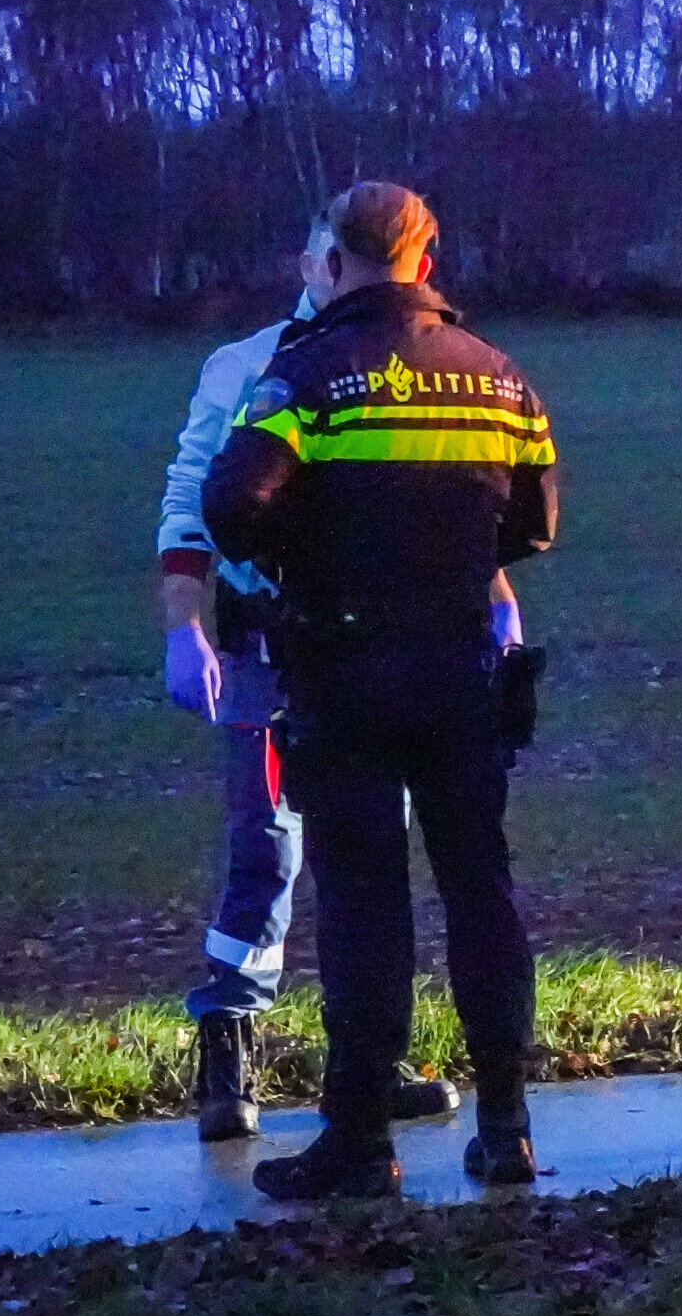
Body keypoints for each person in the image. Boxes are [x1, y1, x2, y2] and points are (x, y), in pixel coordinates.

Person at [202, 181, 558, 1199]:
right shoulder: (497, 378)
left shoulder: (305, 376)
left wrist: (312, 559)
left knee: (363, 903)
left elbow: (233, 504)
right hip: (461, 672)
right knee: (481, 893)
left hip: (343, 668)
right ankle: (506, 1128)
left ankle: (360, 1142)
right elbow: (533, 527)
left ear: (335, 260)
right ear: (426, 259)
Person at [157, 217, 504, 1142]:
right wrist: (186, 624)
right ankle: (227, 1055)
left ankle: (367, 1065)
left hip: (375, 652)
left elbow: (448, 497)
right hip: (272, 648)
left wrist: (494, 590)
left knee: (373, 856)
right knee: (267, 845)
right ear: (313, 264)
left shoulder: (413, 358)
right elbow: (195, 493)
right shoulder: (248, 366)